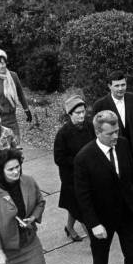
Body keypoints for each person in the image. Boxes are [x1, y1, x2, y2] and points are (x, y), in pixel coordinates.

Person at [74, 110, 133, 264]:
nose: (115, 136)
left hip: (126, 213)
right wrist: (93, 223)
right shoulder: (84, 158)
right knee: (101, 258)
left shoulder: (123, 145)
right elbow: (83, 196)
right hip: (101, 219)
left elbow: (131, 177)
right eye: (110, 133)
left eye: (116, 131)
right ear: (98, 132)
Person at [93, 71, 133, 183]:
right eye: (117, 85)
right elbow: (97, 132)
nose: (120, 88)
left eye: (123, 85)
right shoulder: (100, 105)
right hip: (114, 154)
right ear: (109, 86)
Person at [53, 95, 95, 242]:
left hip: (90, 175)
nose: (82, 115)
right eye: (78, 113)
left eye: (83, 111)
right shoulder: (63, 134)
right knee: (83, 210)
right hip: (72, 178)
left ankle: (69, 228)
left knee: (75, 206)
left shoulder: (90, 127)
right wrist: (79, 162)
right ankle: (94, 241)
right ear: (70, 114)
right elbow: (58, 158)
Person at [0, 49, 31, 141]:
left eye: (2, 63)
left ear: (6, 63)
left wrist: (26, 109)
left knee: (16, 144)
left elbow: (20, 94)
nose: (1, 66)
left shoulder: (13, 76)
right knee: (3, 147)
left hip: (12, 117)